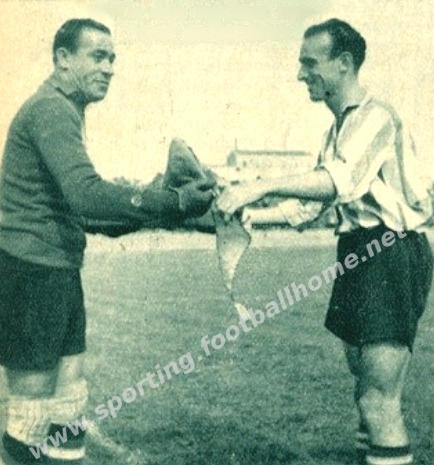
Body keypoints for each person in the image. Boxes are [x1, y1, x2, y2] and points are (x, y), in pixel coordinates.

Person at [217, 18, 433, 465]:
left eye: (309, 63)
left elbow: (337, 181)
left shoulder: (376, 117)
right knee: (363, 384)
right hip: (358, 252)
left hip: (390, 249)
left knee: (378, 398)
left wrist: (257, 186)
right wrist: (254, 215)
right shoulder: (335, 132)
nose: (301, 74)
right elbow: (308, 207)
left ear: (344, 63)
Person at [0, 18, 215, 465]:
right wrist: (172, 200)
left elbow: (88, 214)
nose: (109, 68)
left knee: (68, 402)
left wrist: (173, 209)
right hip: (32, 270)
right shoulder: (51, 109)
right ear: (63, 59)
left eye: (112, 58)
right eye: (98, 56)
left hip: (55, 270)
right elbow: (87, 195)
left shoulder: (65, 109)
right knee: (31, 415)